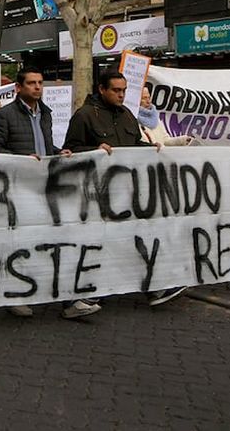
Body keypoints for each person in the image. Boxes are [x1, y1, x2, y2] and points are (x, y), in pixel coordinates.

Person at [64, 71, 187, 307]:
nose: (121, 95)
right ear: (102, 89)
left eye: (123, 90)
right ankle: (79, 297)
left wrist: (150, 148)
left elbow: (132, 146)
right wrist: (94, 149)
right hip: (96, 196)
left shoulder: (127, 115)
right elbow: (69, 151)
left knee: (140, 239)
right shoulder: (85, 116)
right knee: (96, 243)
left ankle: (153, 287)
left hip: (128, 193)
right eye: (116, 90)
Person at [0, 67, 100, 320]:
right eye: (31, 83)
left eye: (40, 83)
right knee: (22, 245)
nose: (37, 87)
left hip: (47, 189)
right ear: (19, 88)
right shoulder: (5, 116)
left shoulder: (45, 115)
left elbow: (45, 147)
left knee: (58, 243)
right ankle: (15, 295)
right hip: (18, 190)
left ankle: (69, 300)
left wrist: (59, 152)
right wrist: (22, 159)